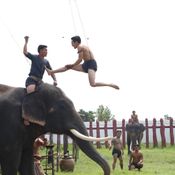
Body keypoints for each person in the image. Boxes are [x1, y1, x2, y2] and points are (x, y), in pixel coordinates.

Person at [46, 36, 119, 90]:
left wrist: (72, 65)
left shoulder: (80, 47)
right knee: (68, 67)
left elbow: (80, 59)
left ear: (76, 42)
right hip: (86, 64)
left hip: (91, 64)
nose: (72, 45)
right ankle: (51, 71)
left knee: (92, 84)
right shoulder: (82, 46)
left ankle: (110, 84)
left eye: (72, 43)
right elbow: (82, 60)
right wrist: (71, 66)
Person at [23, 36, 57, 125]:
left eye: (47, 50)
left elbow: (51, 71)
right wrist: (26, 41)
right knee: (31, 94)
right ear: (41, 51)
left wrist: (55, 80)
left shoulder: (46, 61)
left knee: (47, 94)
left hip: (40, 82)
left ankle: (44, 115)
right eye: (45, 50)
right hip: (32, 79)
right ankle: (26, 117)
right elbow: (25, 52)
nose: (46, 51)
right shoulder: (34, 57)